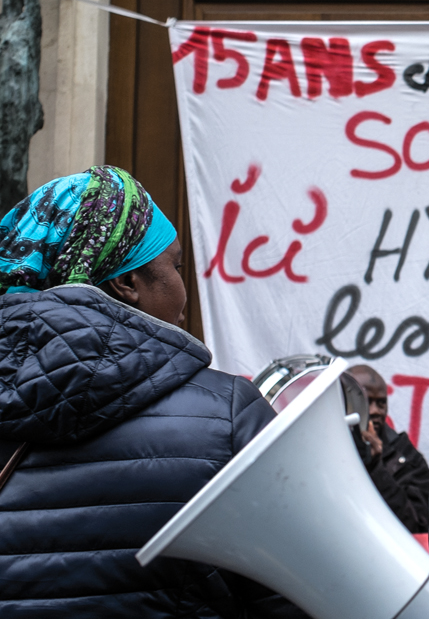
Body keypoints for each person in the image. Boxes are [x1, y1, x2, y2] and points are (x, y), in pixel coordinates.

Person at [0, 166, 304, 618]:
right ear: (128, 284)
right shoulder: (228, 418)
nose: (185, 294)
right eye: (175, 267)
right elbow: (298, 595)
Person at [347, 364, 429, 534]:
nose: (375, 411)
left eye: (381, 403)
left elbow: (418, 526)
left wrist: (375, 469)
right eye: (366, 402)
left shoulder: (407, 458)